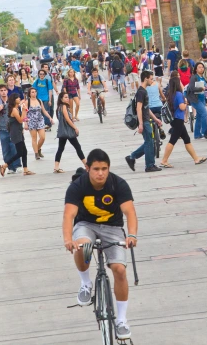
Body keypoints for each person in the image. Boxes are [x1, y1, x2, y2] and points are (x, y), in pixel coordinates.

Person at [62, 149, 136, 340]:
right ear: (87, 168)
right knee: (83, 245)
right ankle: (85, 282)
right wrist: (68, 239)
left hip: (112, 227)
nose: (100, 173)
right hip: (86, 225)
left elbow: (129, 212)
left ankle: (121, 320)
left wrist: (132, 235)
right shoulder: (77, 186)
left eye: (104, 169)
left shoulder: (118, 184)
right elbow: (69, 215)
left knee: (119, 270)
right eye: (96, 169)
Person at [160, 77, 207, 168]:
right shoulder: (178, 94)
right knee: (173, 140)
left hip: (174, 120)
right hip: (178, 119)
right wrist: (186, 102)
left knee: (187, 139)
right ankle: (164, 160)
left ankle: (196, 158)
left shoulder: (170, 94)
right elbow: (182, 107)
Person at [124, 71, 163, 173]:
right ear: (146, 78)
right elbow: (139, 108)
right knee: (149, 142)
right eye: (151, 78)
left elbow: (147, 108)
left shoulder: (144, 91)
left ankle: (132, 157)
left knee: (149, 142)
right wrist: (140, 124)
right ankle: (149, 165)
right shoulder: (141, 92)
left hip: (147, 120)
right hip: (144, 121)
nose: (152, 81)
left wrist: (155, 119)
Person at [0, 93, 34, 176]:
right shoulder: (14, 109)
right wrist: (25, 110)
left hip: (18, 131)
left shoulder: (17, 108)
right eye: (17, 98)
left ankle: (25, 169)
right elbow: (20, 120)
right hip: (15, 133)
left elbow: (22, 119)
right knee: (20, 152)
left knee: (24, 151)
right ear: (14, 100)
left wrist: (25, 116)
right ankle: (5, 165)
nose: (19, 99)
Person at [0, 84, 22, 174]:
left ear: (7, 91)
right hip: (3, 129)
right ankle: (10, 167)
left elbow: (19, 116)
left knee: (14, 147)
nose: (3, 92)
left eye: (5, 90)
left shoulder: (12, 102)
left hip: (13, 129)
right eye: (1, 90)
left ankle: (17, 165)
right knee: (5, 149)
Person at [54, 92, 86, 173]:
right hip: (68, 131)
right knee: (77, 147)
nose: (67, 98)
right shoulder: (64, 106)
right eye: (65, 97)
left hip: (62, 132)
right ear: (61, 99)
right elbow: (67, 119)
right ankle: (87, 165)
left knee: (60, 149)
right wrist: (75, 128)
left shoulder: (59, 107)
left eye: (68, 97)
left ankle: (56, 167)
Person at [26, 87, 54, 160]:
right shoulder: (27, 101)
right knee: (34, 138)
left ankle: (38, 149)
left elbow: (44, 111)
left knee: (43, 137)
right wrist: (25, 123)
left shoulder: (39, 100)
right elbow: (24, 113)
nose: (34, 93)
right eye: (32, 92)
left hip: (40, 120)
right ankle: (36, 153)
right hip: (31, 121)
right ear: (29, 93)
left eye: (35, 92)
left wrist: (50, 118)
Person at [187, 62, 207, 140]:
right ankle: (205, 132)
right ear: (196, 69)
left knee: (199, 116)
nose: (201, 68)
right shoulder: (194, 77)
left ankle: (197, 134)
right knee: (204, 114)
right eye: (199, 67)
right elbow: (192, 88)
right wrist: (201, 88)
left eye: (202, 67)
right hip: (195, 99)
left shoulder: (203, 77)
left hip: (202, 99)